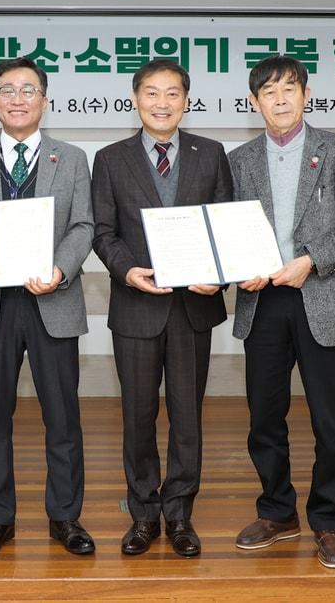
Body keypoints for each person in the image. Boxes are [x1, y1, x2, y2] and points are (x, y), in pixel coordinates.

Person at [0, 57, 95, 558]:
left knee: (63, 417)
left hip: (54, 301)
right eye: (8, 90)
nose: (18, 98)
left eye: (28, 90)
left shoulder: (72, 158)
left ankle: (65, 516)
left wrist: (60, 270)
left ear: (44, 100)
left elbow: (84, 226)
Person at [227, 55, 335, 569]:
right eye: (269, 92)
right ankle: (276, 512)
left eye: (289, 89)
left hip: (323, 294)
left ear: (306, 94)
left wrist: (311, 260)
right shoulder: (239, 160)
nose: (280, 99)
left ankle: (327, 519)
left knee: (329, 419)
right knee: (264, 416)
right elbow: (228, 228)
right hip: (262, 301)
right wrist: (238, 267)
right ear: (254, 103)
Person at [90, 58, 233, 557]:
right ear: (136, 99)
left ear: (186, 101)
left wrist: (219, 274)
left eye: (173, 93)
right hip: (136, 307)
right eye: (152, 93)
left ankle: (180, 515)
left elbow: (225, 227)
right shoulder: (110, 159)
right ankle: (143, 515)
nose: (162, 102)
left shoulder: (211, 154)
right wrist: (128, 270)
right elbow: (103, 232)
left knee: (188, 418)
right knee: (137, 416)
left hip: (194, 308)